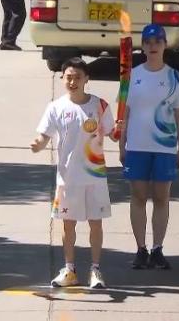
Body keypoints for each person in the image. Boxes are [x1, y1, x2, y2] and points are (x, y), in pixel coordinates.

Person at [31, 57, 118, 289]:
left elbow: (113, 133)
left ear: (86, 79)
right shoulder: (56, 107)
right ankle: (70, 270)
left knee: (95, 223)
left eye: (77, 77)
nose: (73, 81)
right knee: (67, 224)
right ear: (62, 79)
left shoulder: (100, 106)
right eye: (68, 77)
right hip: (68, 177)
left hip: (95, 175)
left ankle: (95, 270)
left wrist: (120, 129)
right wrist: (38, 144)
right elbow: (44, 135)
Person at [121, 24, 179, 270]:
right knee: (138, 196)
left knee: (162, 197)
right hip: (137, 146)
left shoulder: (174, 78)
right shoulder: (131, 75)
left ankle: (158, 248)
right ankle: (140, 249)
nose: (153, 46)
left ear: (164, 45)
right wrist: (122, 145)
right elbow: (125, 113)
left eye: (157, 42)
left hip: (165, 147)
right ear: (143, 46)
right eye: (148, 42)